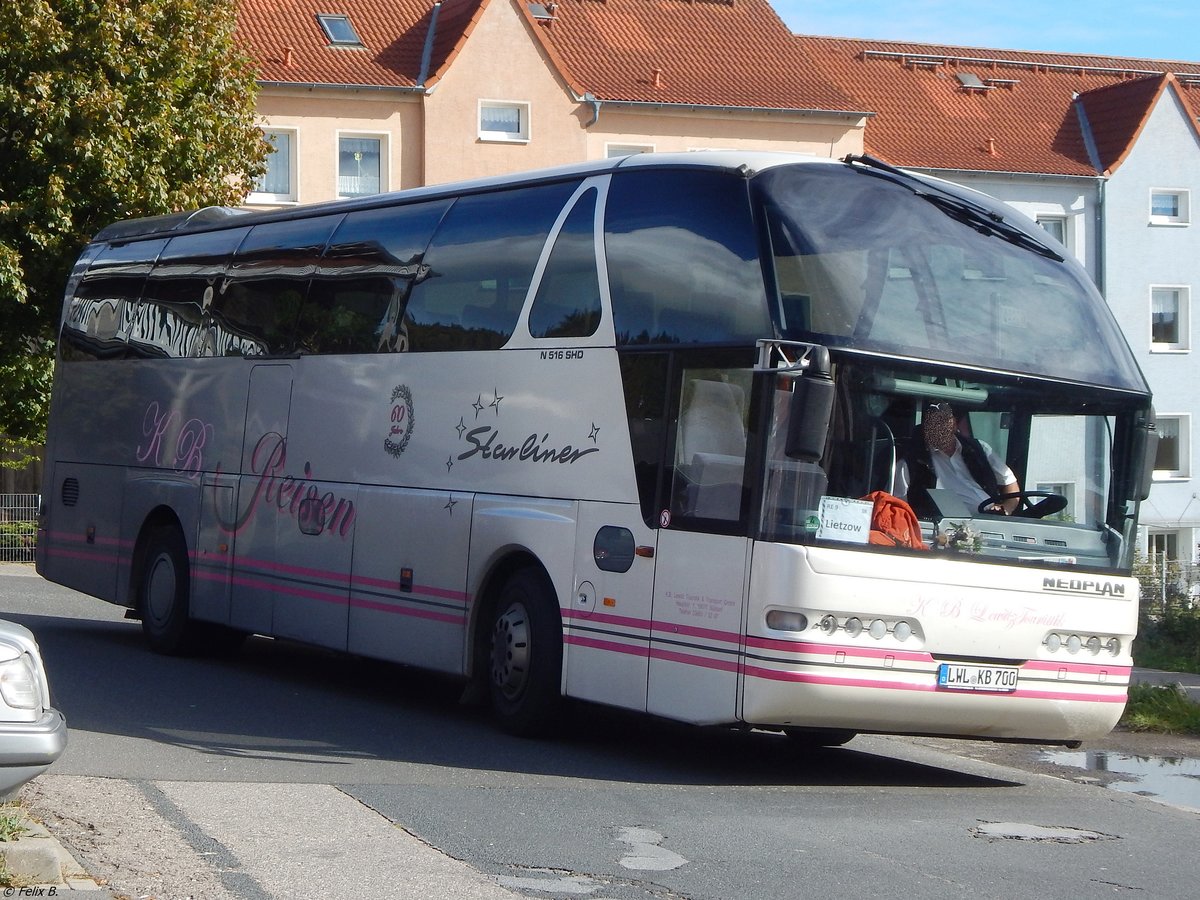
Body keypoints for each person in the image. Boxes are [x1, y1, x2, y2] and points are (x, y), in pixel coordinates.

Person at [895, 402, 1021, 515]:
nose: (939, 429)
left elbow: (1010, 483)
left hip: (992, 523)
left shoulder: (979, 449)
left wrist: (1006, 509)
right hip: (941, 532)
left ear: (954, 424)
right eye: (933, 424)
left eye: (943, 422)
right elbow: (898, 505)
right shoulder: (910, 461)